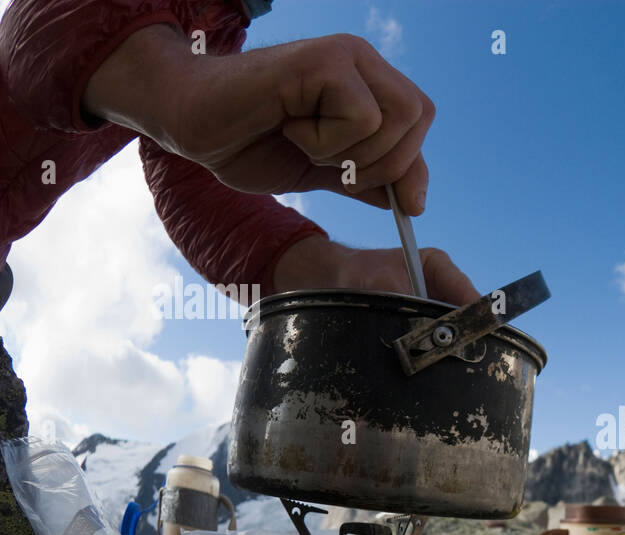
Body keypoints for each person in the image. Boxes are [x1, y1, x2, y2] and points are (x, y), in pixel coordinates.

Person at [0, 0, 479, 314]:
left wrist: (338, 275)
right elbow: (36, 27)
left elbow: (197, 185)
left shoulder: (219, 33)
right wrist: (178, 87)